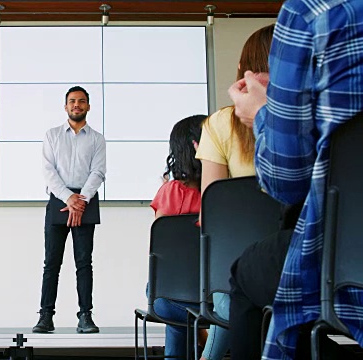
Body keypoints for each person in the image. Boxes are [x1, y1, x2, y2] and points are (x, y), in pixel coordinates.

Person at [227, 1, 363, 359]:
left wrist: (260, 114)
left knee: (246, 273)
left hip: (345, 259)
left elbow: (287, 182)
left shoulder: (309, 15)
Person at [193, 23, 274, 360]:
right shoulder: (324, 112)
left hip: (245, 271)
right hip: (335, 265)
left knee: (236, 295)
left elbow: (211, 213)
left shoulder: (219, 125)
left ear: (245, 71)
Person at [33, 86, 106, 334]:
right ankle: (45, 316)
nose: (77, 105)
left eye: (82, 101)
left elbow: (98, 172)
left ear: (88, 106)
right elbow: (48, 171)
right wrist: (68, 198)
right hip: (58, 199)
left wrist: (81, 200)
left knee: (84, 263)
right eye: (72, 101)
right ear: (65, 106)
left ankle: (85, 316)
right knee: (51, 262)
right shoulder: (52, 135)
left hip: (87, 199)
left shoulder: (97, 138)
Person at [147, 114, 212, 359]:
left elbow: (160, 250)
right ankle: (203, 335)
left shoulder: (169, 192)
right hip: (214, 296)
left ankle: (196, 335)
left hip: (168, 296)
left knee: (172, 303)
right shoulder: (224, 190)